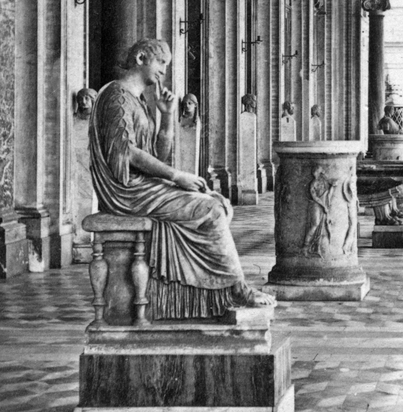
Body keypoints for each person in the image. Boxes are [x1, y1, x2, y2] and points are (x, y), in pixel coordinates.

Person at [89, 38, 273, 318]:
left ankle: (207, 295)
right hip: (126, 191)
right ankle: (236, 288)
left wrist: (166, 118)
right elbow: (126, 154)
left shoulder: (137, 101)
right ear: (140, 58)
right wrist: (177, 176)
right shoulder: (116, 96)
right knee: (210, 210)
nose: (164, 70)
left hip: (143, 186)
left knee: (217, 200)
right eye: (161, 62)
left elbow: (156, 157)